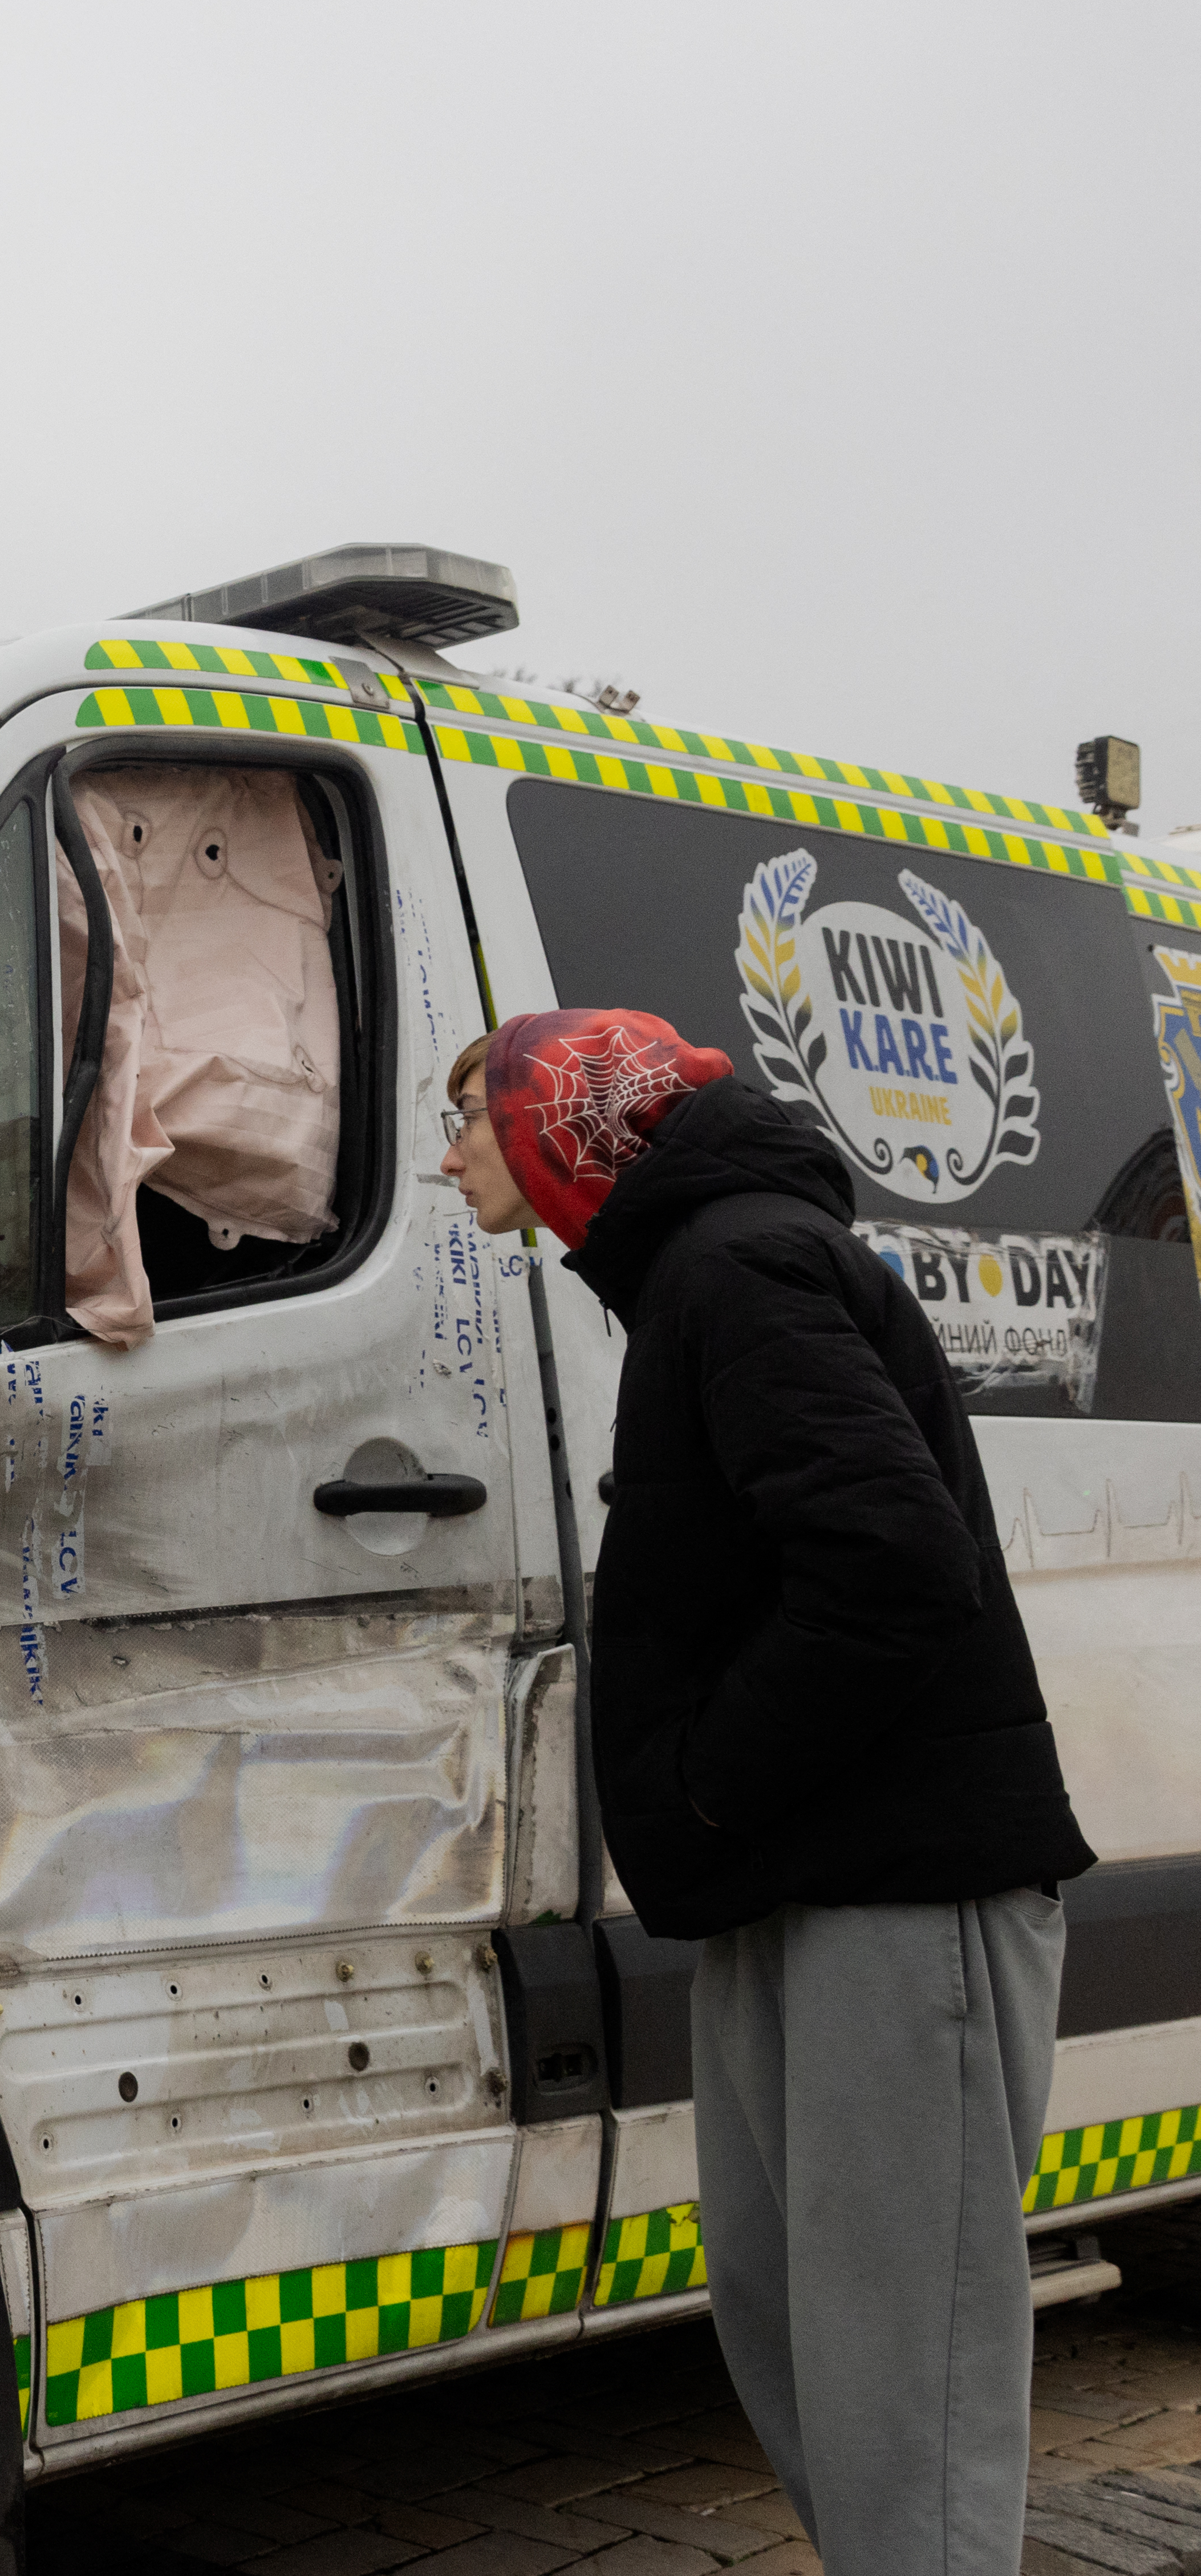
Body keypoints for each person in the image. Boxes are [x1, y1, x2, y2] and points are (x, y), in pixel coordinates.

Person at [440, 1009, 1092, 2575]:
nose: (449, 1152)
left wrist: (712, 1783)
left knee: (899, 2391)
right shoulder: (699, 1278)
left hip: (890, 1893)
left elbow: (891, 1556)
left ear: (562, 1128)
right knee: (800, 2330)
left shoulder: (736, 1270)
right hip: (799, 1885)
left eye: (470, 1115)